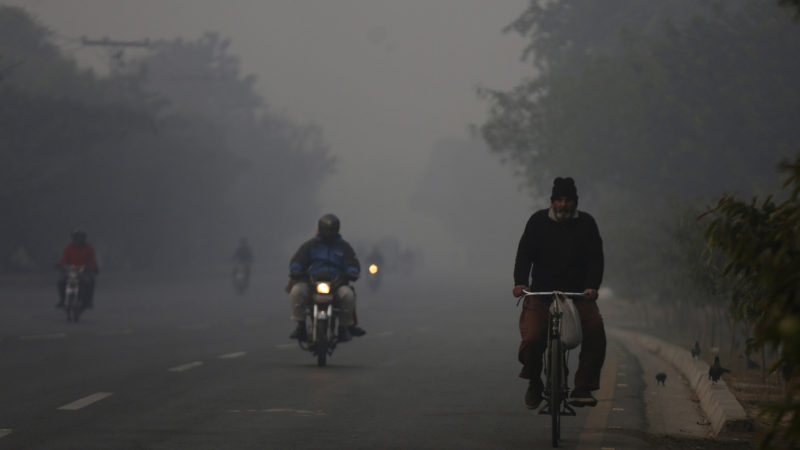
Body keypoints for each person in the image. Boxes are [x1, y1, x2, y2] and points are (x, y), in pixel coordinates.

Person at [512, 177, 606, 409]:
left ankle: (583, 387)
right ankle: (534, 380)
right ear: (552, 201)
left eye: (568, 200)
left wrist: (592, 286)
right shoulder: (537, 222)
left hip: (577, 295)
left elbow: (596, 259)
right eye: (559, 200)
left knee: (595, 330)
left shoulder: (586, 224)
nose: (564, 204)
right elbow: (524, 254)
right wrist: (520, 282)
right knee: (532, 338)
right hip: (541, 294)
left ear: (575, 202)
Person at [286, 214, 367, 342]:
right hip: (312, 282)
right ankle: (300, 325)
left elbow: (352, 263)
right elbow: (298, 260)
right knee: (297, 291)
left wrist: (352, 272)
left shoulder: (344, 247)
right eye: (326, 229)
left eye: (331, 229)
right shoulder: (311, 245)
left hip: (337, 283)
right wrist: (296, 269)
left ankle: (343, 327)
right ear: (320, 228)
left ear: (337, 229)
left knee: (348, 295)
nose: (328, 233)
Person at [56, 229, 99, 308]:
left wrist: (93, 267)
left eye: (80, 237)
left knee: (90, 282)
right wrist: (60, 265)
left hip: (84, 271)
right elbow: (64, 259)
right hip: (71, 270)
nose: (78, 239)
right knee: (61, 281)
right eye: (76, 237)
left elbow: (92, 260)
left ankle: (88, 301)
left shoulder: (88, 248)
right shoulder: (69, 248)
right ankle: (62, 300)